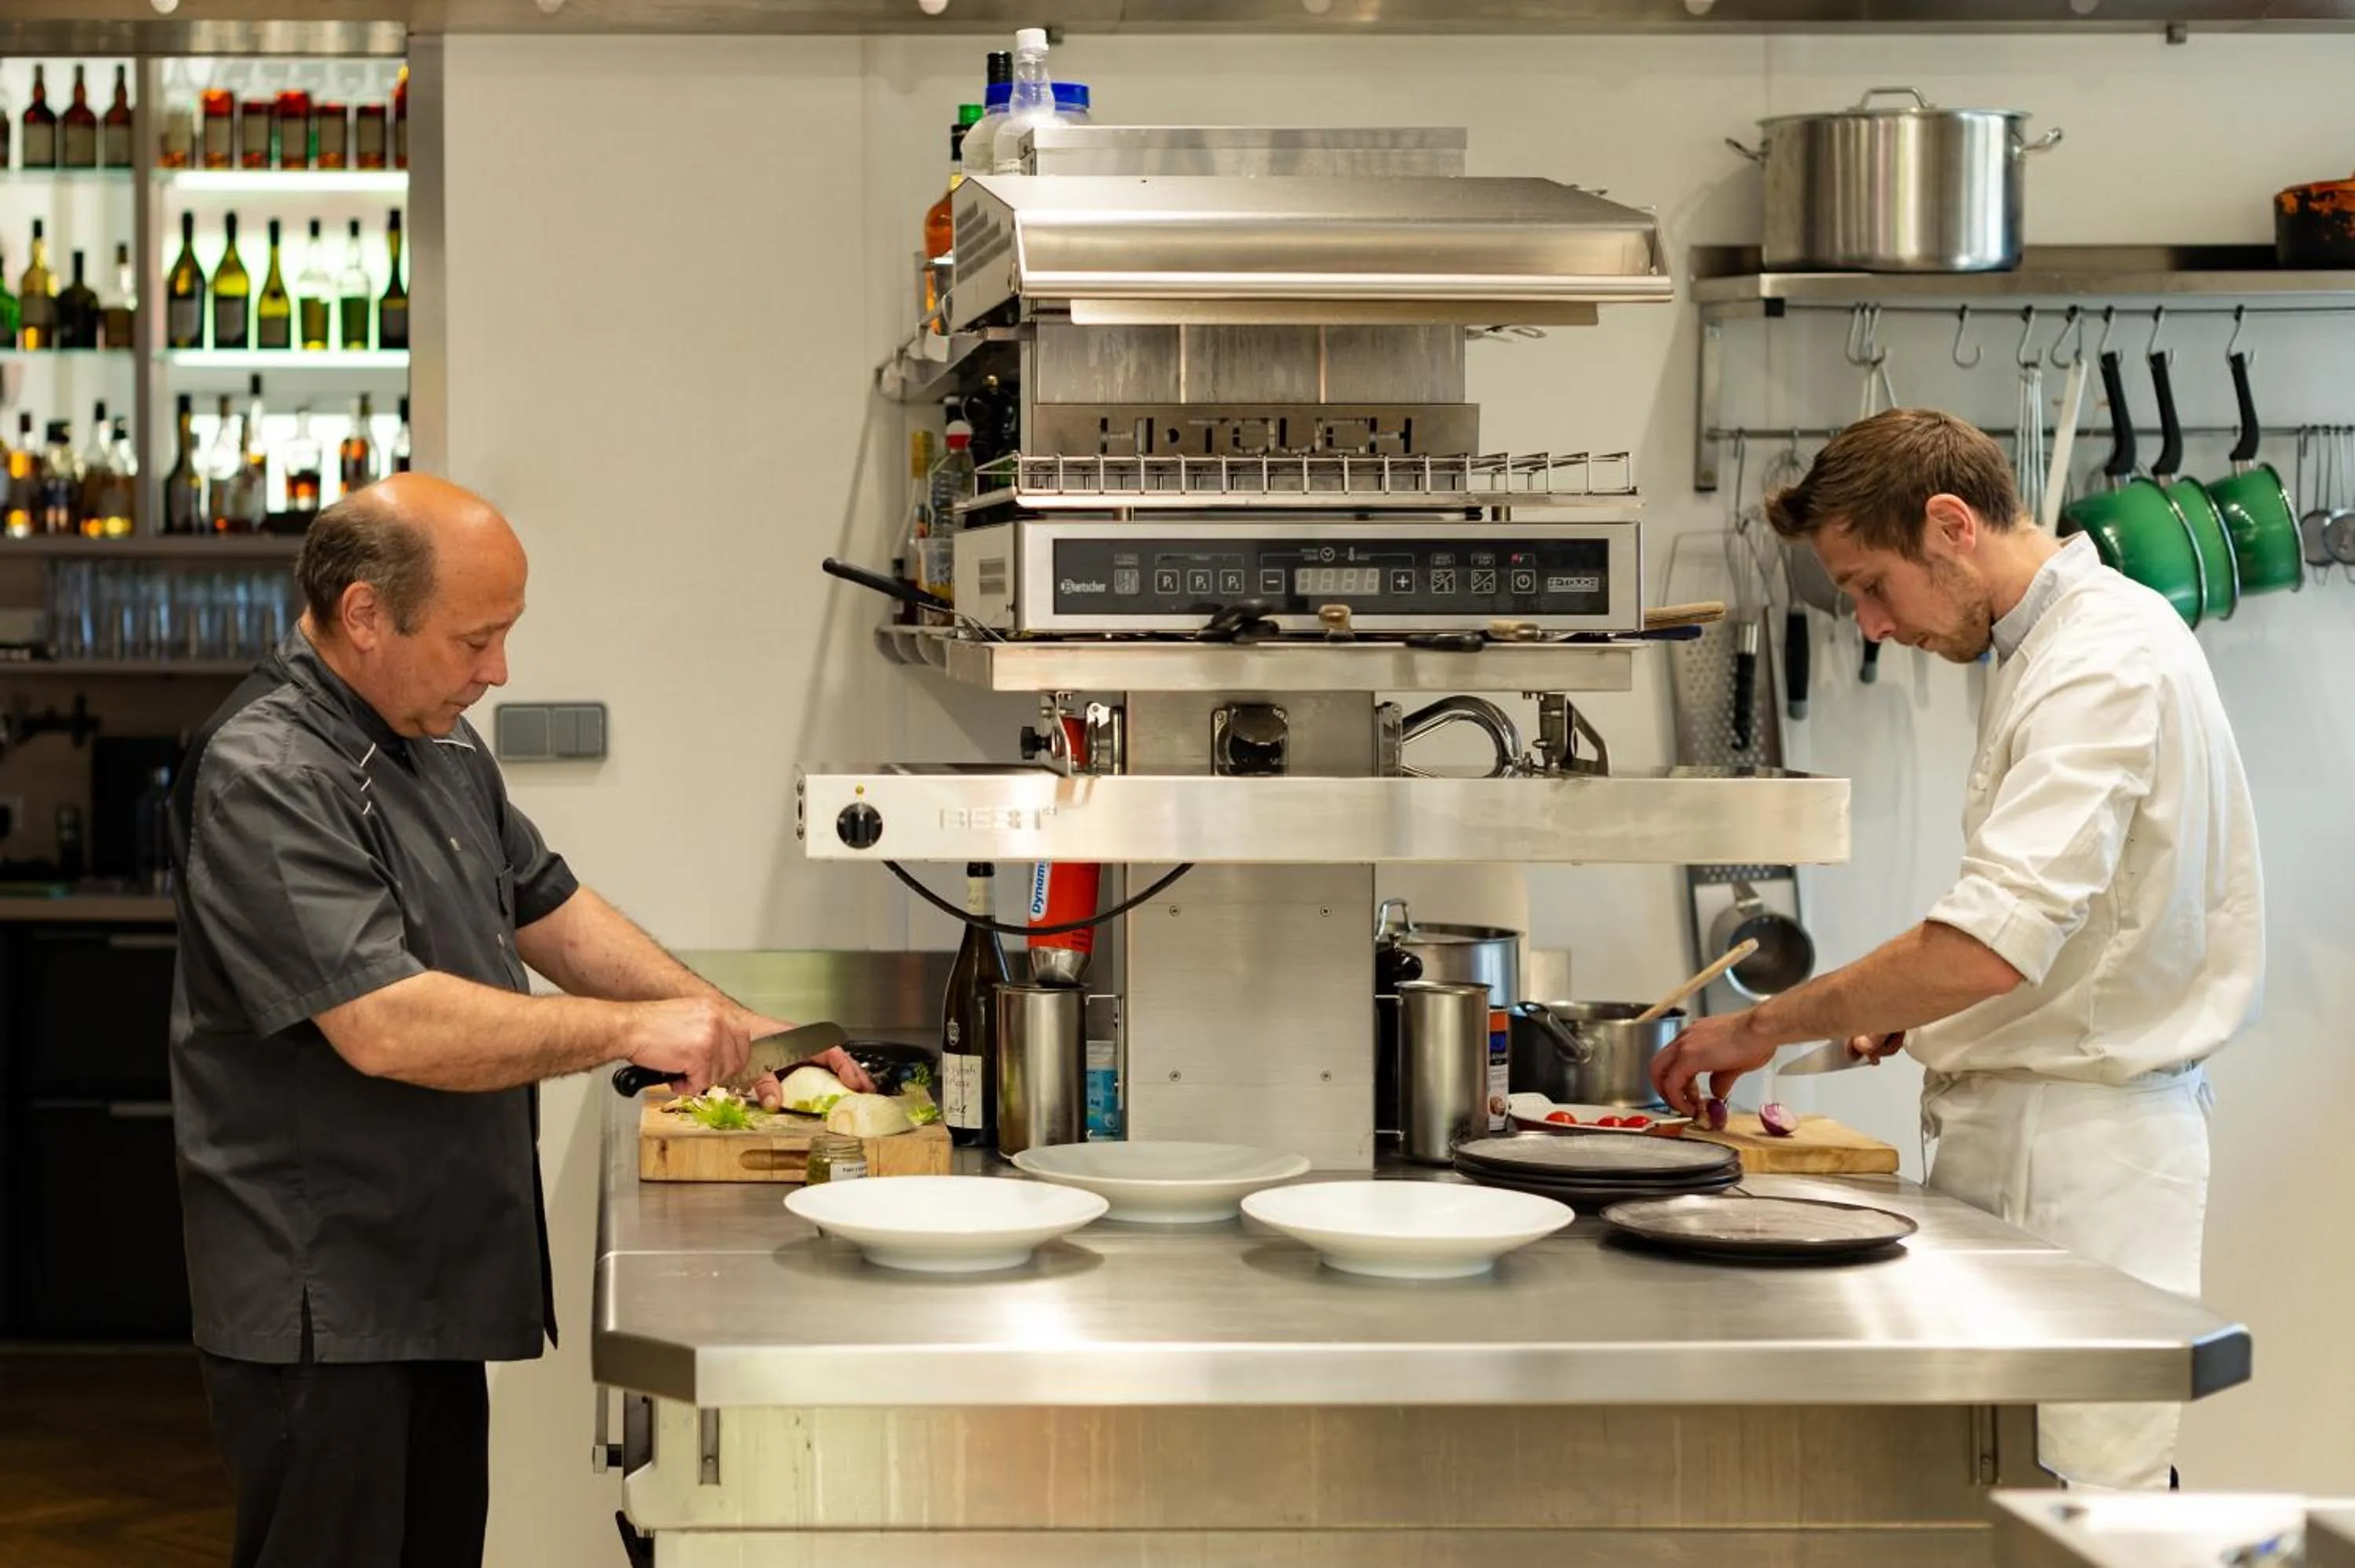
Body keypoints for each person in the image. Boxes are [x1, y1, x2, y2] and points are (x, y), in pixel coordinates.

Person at [167, 473, 872, 1568]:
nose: (498, 672)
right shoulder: (265, 771)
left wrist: (739, 1025)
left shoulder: (439, 742)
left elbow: (553, 907)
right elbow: (385, 1023)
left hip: (430, 1277)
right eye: (475, 640)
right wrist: (627, 1033)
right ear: (364, 615)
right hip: (326, 1300)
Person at [1650, 409, 2263, 1492]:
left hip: (2082, 1165)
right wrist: (1920, 1005)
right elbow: (2053, 927)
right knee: (2014, 1499)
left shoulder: (2100, 663)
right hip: (2045, 1138)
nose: (1872, 624)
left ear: (1949, 525)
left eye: (1870, 583)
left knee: (2086, 1512)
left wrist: (1759, 1025)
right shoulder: (2051, 644)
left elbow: (1988, 945)